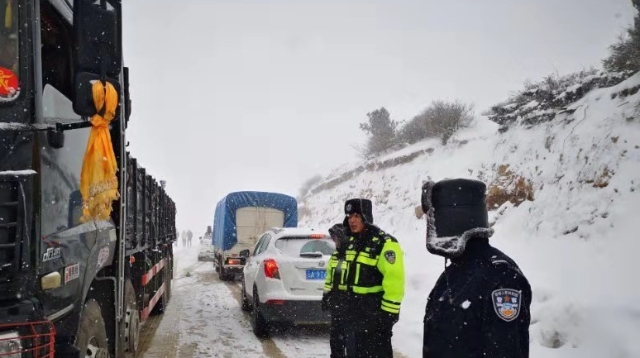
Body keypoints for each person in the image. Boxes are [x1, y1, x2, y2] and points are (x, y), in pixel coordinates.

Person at [420, 178, 532, 358]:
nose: (432, 226)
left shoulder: (501, 277)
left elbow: (506, 350)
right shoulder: (455, 270)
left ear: (453, 218)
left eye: (436, 217)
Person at [341, 198, 405, 358]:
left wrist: (388, 316)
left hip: (375, 318)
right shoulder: (351, 243)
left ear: (366, 217)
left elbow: (395, 279)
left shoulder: (384, 243)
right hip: (353, 317)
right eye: (349, 216)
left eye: (356, 215)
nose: (352, 221)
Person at [322, 223, 352, 358]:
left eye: (336, 238)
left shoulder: (353, 256)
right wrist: (326, 294)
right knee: (335, 339)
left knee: (350, 339)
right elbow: (330, 277)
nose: (334, 242)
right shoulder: (335, 255)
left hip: (350, 302)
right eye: (333, 238)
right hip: (336, 302)